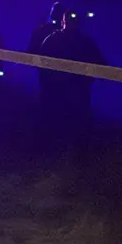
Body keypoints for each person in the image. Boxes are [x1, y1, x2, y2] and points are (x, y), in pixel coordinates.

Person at [40, 10, 106, 162]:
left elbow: (99, 60)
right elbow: (42, 62)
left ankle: (76, 155)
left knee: (77, 122)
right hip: (61, 90)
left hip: (77, 90)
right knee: (66, 121)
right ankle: (63, 154)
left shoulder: (82, 41)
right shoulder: (54, 40)